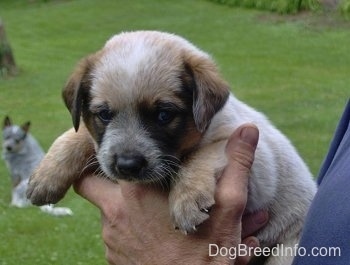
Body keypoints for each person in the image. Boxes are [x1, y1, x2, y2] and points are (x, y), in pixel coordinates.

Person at [74, 99, 350, 264]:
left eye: (163, 115)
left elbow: (257, 180)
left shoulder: (226, 124)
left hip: (286, 241)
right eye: (106, 115)